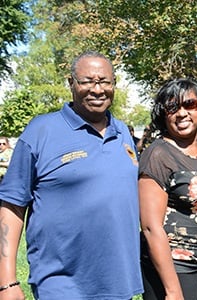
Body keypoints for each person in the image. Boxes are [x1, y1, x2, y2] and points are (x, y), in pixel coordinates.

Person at [0, 51, 143, 299]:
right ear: (71, 84)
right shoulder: (41, 131)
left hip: (119, 282)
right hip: (61, 284)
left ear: (114, 85)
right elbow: (11, 207)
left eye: (105, 81)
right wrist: (6, 282)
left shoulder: (123, 133)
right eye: (87, 81)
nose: (97, 89)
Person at [138, 78, 197, 300]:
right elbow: (150, 228)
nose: (181, 113)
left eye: (189, 105)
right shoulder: (158, 155)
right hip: (172, 269)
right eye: (172, 107)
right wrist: (172, 290)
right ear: (163, 114)